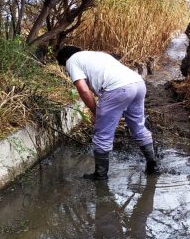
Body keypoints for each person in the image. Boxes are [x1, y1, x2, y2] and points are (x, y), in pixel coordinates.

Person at [56, 45, 157, 180]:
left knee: (102, 134)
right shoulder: (98, 54)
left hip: (117, 89)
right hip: (138, 84)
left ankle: (100, 175)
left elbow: (83, 89)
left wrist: (95, 112)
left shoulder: (71, 61)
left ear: (64, 59)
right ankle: (153, 166)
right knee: (138, 127)